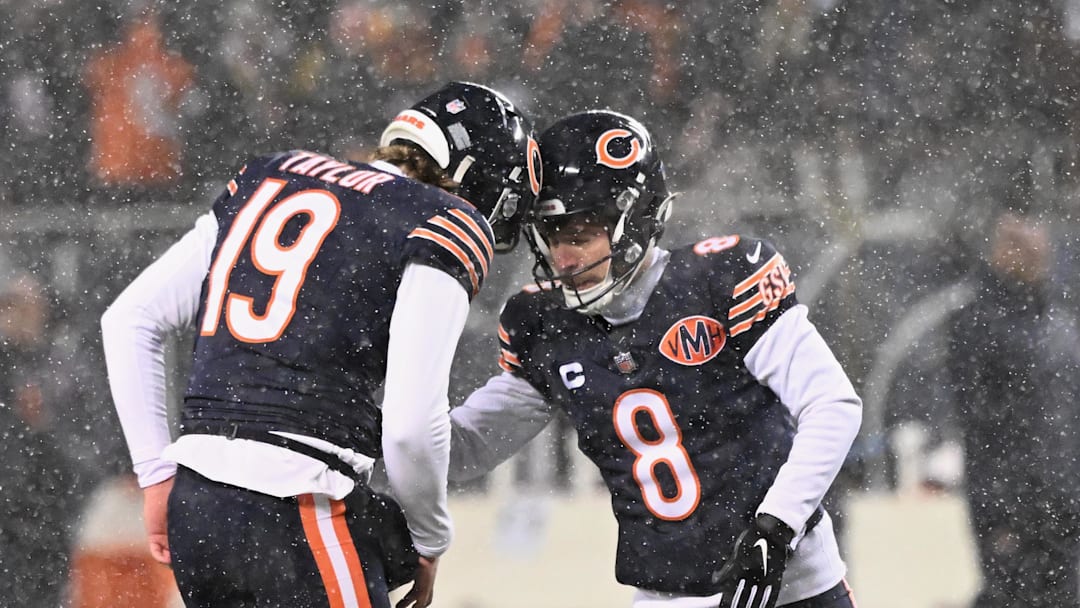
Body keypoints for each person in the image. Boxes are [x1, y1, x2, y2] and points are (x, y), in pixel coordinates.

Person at [101, 81, 540, 608]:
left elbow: (130, 318)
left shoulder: (273, 174)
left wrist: (155, 473)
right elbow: (409, 428)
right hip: (299, 502)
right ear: (480, 178)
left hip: (198, 505)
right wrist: (429, 538)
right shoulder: (442, 221)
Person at [448, 110, 862, 608]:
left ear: (637, 219)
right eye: (552, 236)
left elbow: (833, 405)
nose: (564, 258)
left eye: (580, 234)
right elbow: (463, 447)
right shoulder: (546, 326)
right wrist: (358, 441)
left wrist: (776, 528)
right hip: (664, 594)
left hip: (788, 588)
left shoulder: (720, 280)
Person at [946, 205, 1080, 607]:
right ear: (999, 250)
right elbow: (978, 417)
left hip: (1065, 500)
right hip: (1012, 506)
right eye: (1018, 241)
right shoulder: (977, 320)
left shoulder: (1058, 320)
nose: (1034, 250)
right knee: (1012, 595)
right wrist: (1001, 510)